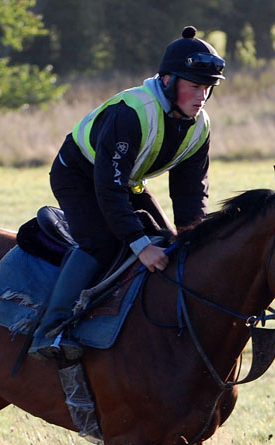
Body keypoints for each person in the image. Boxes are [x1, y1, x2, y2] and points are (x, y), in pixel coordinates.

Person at [29, 25, 225, 361]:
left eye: (207, 88)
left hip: (123, 181)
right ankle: (50, 330)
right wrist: (138, 243)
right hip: (78, 176)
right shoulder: (131, 112)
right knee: (101, 241)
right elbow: (107, 187)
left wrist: (194, 238)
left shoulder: (200, 126)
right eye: (194, 86)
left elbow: (190, 192)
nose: (201, 97)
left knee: (167, 244)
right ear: (168, 81)